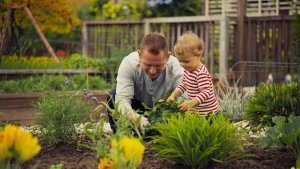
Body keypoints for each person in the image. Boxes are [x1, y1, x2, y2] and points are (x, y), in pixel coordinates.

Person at [107, 32, 184, 133]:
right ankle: (124, 138)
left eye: (158, 65)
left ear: (168, 57)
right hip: (136, 109)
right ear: (139, 54)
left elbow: (184, 102)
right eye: (148, 65)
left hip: (163, 111)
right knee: (113, 96)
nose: (152, 71)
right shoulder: (129, 64)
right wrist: (136, 118)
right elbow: (122, 100)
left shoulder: (178, 70)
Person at [167, 31, 219, 115]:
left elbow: (205, 92)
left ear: (199, 54)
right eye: (180, 61)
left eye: (186, 61)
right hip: (197, 113)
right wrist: (173, 95)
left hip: (209, 114)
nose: (183, 65)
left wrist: (190, 103)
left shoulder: (201, 73)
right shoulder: (188, 71)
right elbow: (183, 85)